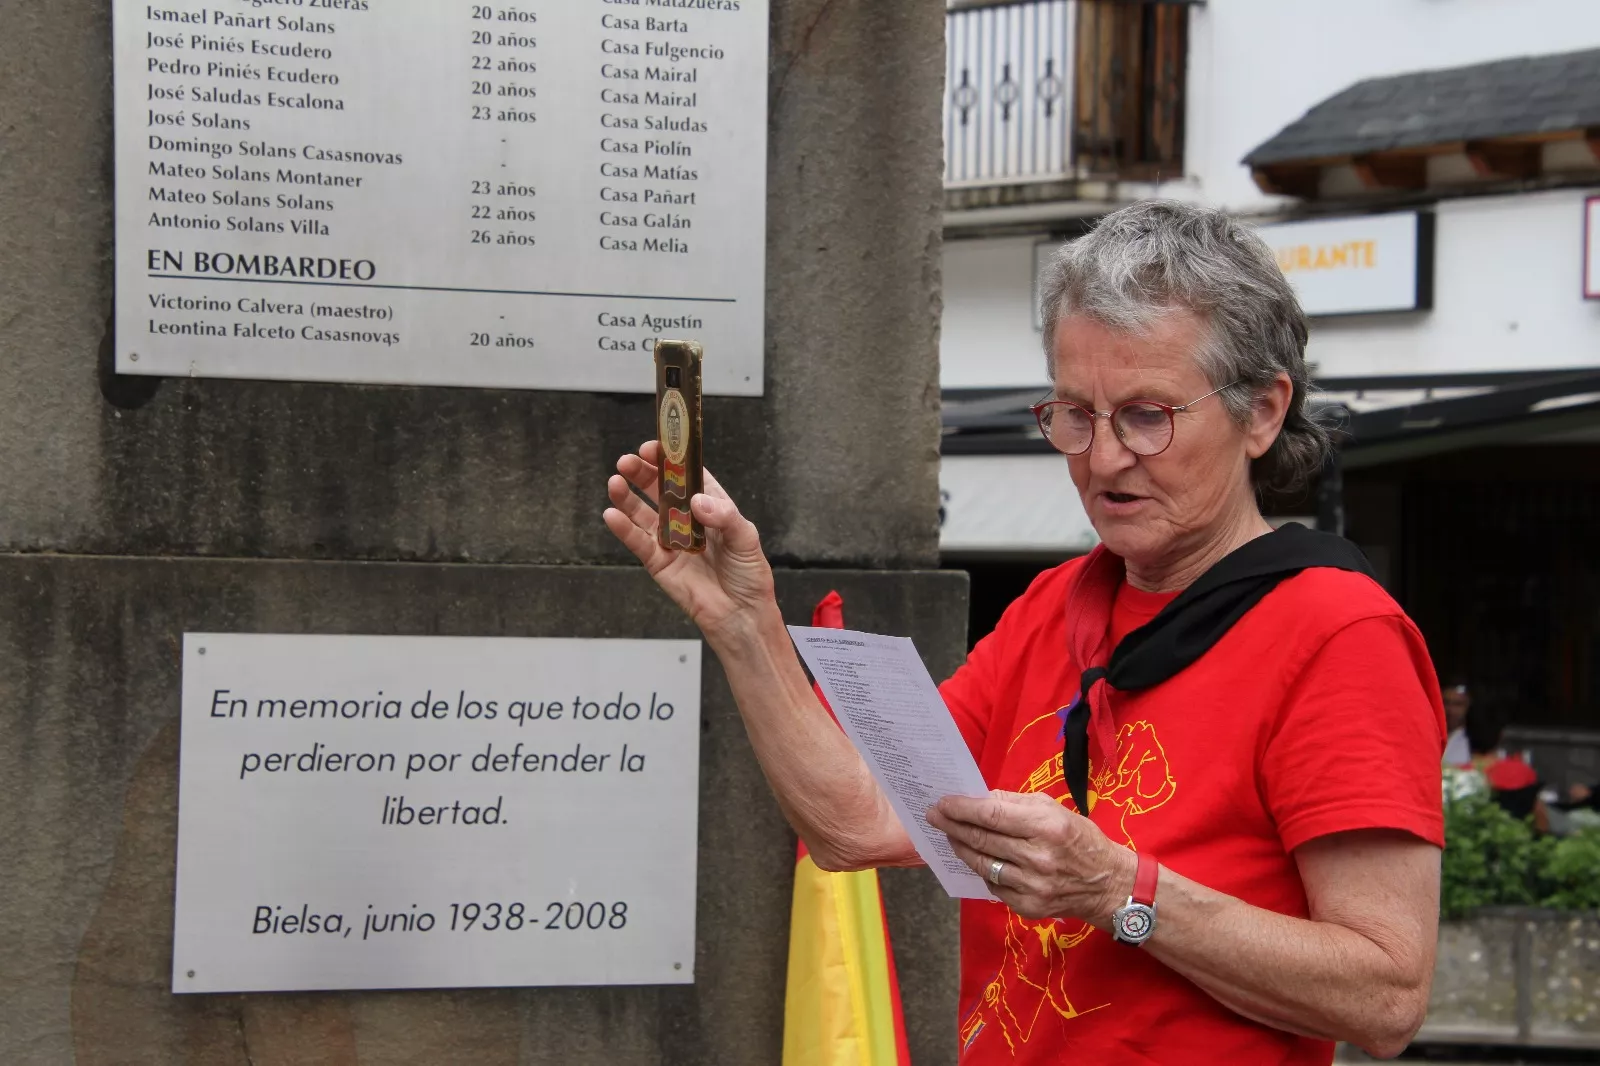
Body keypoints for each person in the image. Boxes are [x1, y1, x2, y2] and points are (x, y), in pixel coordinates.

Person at [603, 200, 1445, 1063]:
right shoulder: (1055, 604)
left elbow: (1385, 994)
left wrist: (1119, 888)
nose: (1104, 457)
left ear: (1262, 414)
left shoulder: (1338, 634)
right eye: (1074, 413)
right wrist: (744, 624)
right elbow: (856, 823)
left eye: (1147, 415)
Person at [1441, 680, 1472, 767]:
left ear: (1467, 706)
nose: (1450, 710)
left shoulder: (1476, 743)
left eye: (1457, 704)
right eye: (1446, 703)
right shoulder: (1428, 736)